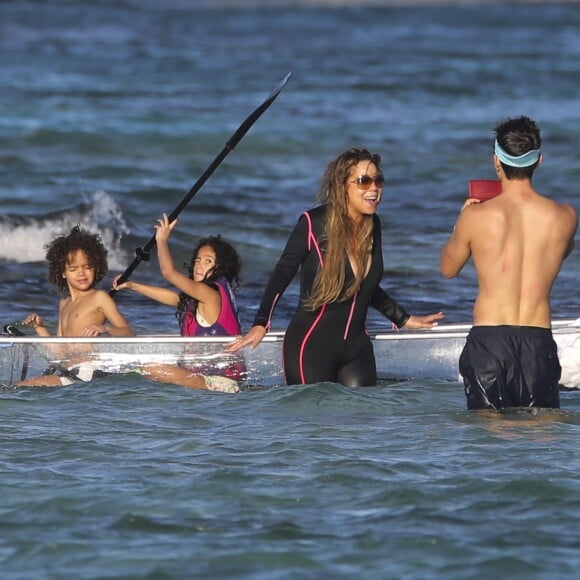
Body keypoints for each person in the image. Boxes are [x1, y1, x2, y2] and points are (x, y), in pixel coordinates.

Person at [227, 147, 445, 386]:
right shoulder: (313, 223)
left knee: (365, 419)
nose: (374, 188)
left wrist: (404, 319)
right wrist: (261, 322)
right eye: (364, 181)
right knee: (313, 421)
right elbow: (282, 274)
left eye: (378, 180)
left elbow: (365, 287)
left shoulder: (373, 226)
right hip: (310, 346)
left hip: (356, 349)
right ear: (343, 186)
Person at [440, 115, 578, 411]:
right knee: (542, 439)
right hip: (538, 340)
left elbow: (448, 269)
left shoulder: (475, 217)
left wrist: (461, 223)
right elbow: (560, 253)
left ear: (496, 162)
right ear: (538, 161)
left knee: (489, 445)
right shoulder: (565, 217)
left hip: (489, 341)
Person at [113, 213, 243, 393]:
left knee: (150, 369)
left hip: (223, 383)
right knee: (139, 369)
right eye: (198, 260)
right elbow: (174, 299)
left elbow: (168, 273)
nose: (199, 265)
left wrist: (162, 240)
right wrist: (132, 285)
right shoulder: (200, 298)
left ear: (221, 268)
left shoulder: (211, 294)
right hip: (205, 379)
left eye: (208, 262)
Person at [17, 225, 135, 387]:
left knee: (22, 386)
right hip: (70, 373)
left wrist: (106, 329)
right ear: (63, 272)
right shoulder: (64, 304)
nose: (81, 273)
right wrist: (39, 327)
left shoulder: (100, 298)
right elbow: (59, 352)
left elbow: (128, 334)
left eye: (87, 267)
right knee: (21, 385)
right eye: (73, 269)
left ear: (96, 267)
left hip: (89, 371)